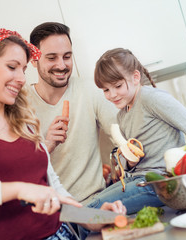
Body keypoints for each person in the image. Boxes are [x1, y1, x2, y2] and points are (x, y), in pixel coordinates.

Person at [0, 29, 126, 240]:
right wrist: (18, 189)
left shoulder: (26, 125)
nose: (21, 78)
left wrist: (96, 218)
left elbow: (55, 196)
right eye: (12, 67)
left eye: (24, 69)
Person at [92, 47, 186, 209]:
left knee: (96, 207)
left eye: (117, 86)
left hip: (161, 183)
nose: (112, 95)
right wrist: (130, 163)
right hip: (136, 179)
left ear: (135, 77)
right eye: (106, 90)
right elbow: (130, 161)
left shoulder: (151, 98)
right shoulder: (122, 115)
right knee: (93, 203)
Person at [28, 22, 119, 205]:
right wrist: (47, 145)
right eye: (52, 58)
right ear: (33, 59)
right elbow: (21, 171)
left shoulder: (90, 90)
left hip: (96, 201)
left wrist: (123, 164)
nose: (61, 65)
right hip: (54, 210)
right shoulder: (19, 106)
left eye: (67, 56)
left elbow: (123, 135)